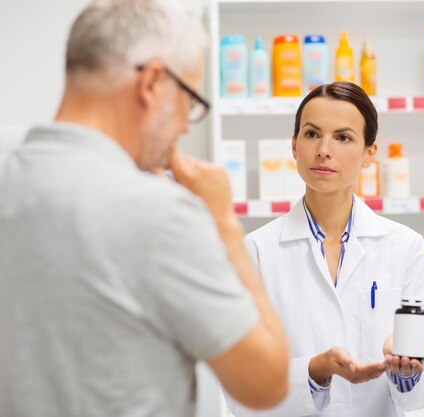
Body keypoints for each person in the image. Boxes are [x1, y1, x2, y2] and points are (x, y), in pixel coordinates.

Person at [0, 1, 289, 416]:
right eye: (190, 101)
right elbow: (266, 383)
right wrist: (223, 223)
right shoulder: (161, 214)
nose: (187, 127)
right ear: (152, 83)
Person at [226, 81, 424, 417]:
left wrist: (406, 370)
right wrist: (315, 371)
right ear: (294, 146)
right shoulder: (255, 252)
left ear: (369, 154)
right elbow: (241, 384)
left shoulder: (405, 248)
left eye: (343, 137)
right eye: (312, 134)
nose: (324, 150)